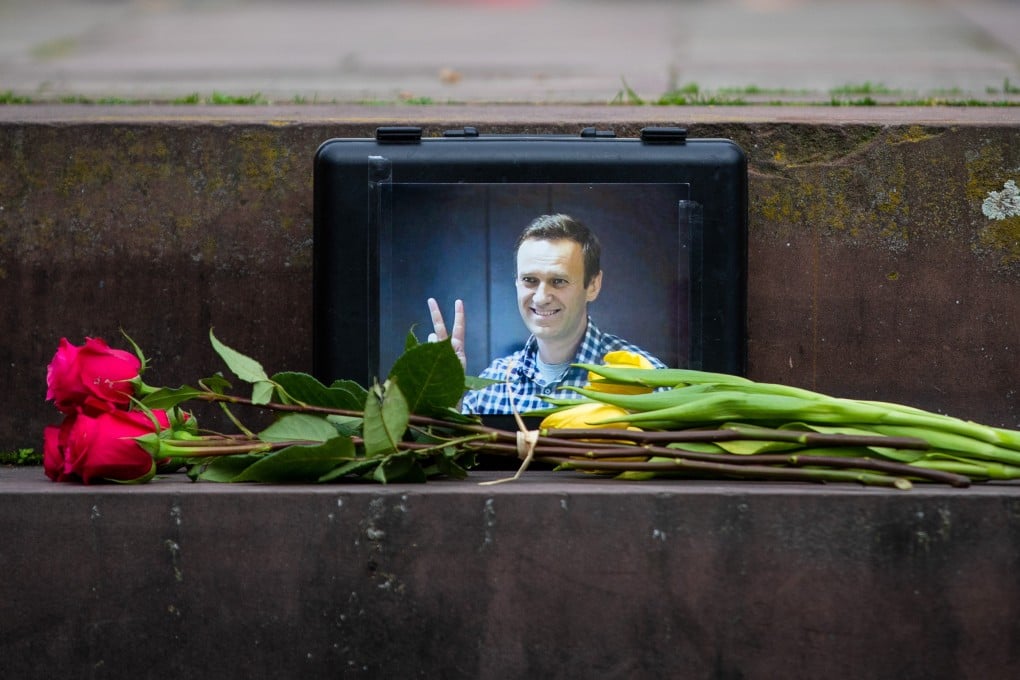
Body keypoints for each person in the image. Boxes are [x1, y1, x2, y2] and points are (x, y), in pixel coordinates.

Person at [427, 213, 666, 414]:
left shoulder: (647, 380)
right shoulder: (493, 384)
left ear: (593, 285)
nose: (541, 297)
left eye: (559, 281)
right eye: (530, 280)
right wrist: (447, 401)